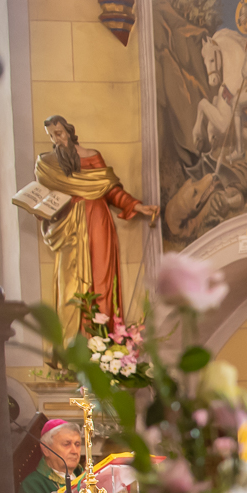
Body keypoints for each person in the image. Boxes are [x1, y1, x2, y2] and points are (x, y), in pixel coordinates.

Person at [35, 116, 160, 339]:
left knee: (102, 280)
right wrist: (38, 208)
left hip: (97, 222)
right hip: (69, 227)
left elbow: (110, 190)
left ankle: (102, 340)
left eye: (60, 133)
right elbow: (46, 199)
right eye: (52, 136)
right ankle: (73, 345)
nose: (57, 140)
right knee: (70, 286)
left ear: (69, 131)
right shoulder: (48, 165)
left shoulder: (92, 157)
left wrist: (136, 206)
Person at [18, 419, 83, 493]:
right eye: (66, 444)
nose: (74, 451)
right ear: (46, 449)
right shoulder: (32, 485)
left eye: (77, 444)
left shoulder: (86, 478)